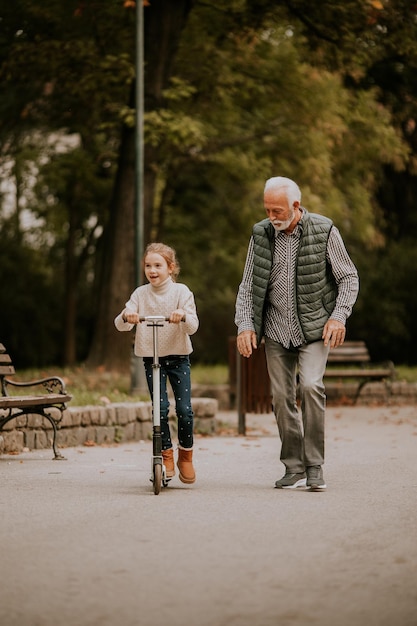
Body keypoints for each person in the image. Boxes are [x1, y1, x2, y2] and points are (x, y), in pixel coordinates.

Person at [235, 176, 359, 491]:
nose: (271, 217)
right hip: (276, 329)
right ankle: (294, 466)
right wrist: (245, 324)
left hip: (315, 329)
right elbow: (248, 284)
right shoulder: (260, 234)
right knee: (280, 397)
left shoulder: (324, 230)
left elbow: (348, 277)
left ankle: (315, 466)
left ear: (295, 206)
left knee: (312, 387)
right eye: (267, 210)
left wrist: (338, 317)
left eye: (277, 211)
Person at [114, 242, 199, 484]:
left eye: (158, 265)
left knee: (184, 410)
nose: (152, 270)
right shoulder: (140, 294)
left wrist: (182, 315)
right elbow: (121, 324)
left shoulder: (182, 292)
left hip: (178, 358)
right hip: (153, 359)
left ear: (170, 268)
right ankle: (166, 455)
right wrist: (126, 315)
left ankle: (186, 454)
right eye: (148, 266)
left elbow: (193, 326)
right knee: (159, 410)